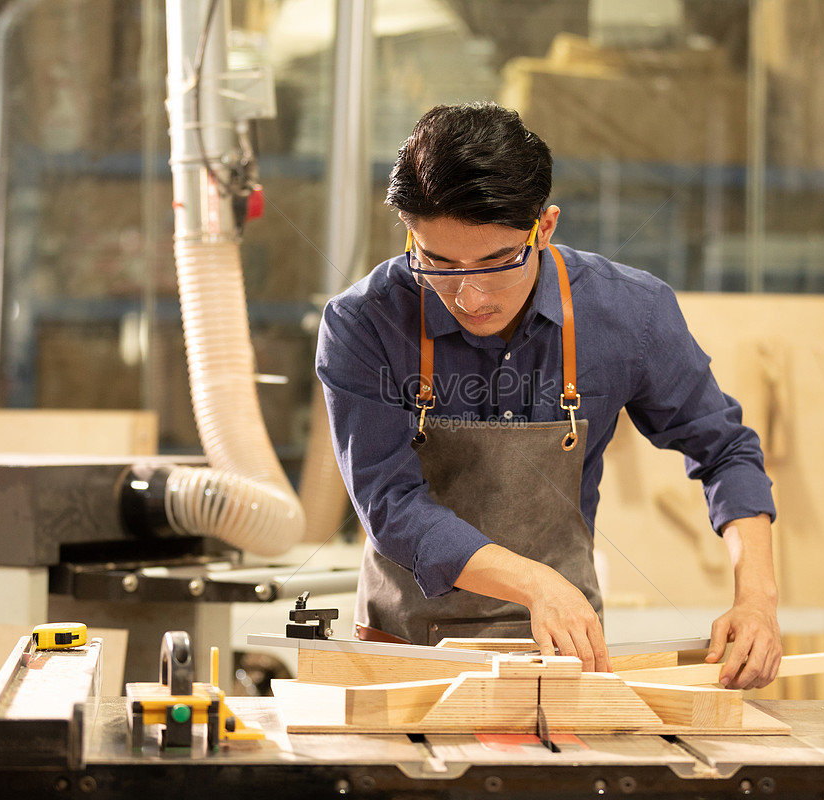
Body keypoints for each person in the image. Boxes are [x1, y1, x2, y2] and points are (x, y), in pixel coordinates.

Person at [316, 102, 781, 688]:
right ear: (410, 233)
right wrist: (536, 582)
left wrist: (758, 600)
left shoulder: (629, 314)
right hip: (405, 659)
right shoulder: (364, 323)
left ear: (546, 226)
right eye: (437, 263)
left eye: (497, 263)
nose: (470, 297)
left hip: (567, 658)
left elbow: (725, 450)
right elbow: (389, 505)